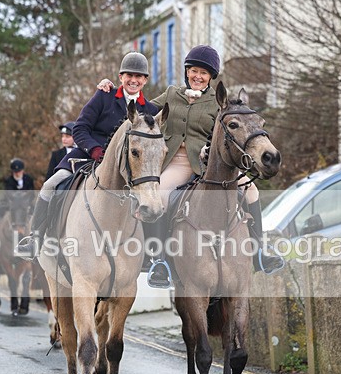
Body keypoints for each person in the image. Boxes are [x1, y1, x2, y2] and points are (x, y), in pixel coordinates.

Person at [96, 45, 284, 287]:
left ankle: (260, 252)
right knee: (160, 195)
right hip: (176, 162)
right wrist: (112, 91)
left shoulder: (217, 102)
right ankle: (159, 261)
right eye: (194, 71)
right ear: (187, 72)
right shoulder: (172, 94)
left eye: (203, 73)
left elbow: (224, 134)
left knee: (252, 190)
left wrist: (210, 149)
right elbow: (141, 110)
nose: (198, 76)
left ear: (210, 77)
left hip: (208, 163)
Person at [17, 52, 160, 257]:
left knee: (152, 200)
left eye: (139, 76)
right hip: (89, 154)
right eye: (129, 75)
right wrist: (94, 149)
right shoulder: (104, 95)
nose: (133, 80)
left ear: (145, 80)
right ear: (121, 76)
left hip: (130, 166)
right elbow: (80, 128)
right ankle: (36, 238)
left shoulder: (151, 109)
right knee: (50, 186)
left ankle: (149, 255)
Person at [0, 158, 36, 230]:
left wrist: (26, 201)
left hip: (26, 205)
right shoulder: (8, 180)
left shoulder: (29, 179)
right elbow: (8, 195)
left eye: (19, 171)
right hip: (8, 205)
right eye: (15, 172)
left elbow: (31, 194)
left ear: (22, 170)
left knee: (39, 221)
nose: (17, 173)